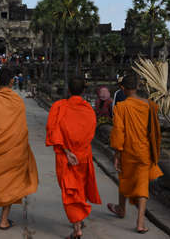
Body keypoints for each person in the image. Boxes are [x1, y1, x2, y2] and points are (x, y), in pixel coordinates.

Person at [0, 68, 38, 230]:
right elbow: (22, 127)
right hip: (13, 146)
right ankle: (3, 219)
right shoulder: (17, 100)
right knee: (9, 182)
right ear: (12, 81)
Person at [46, 77, 101, 239]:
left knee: (71, 191)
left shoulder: (59, 106)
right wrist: (77, 150)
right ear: (83, 91)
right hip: (82, 156)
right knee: (80, 188)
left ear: (68, 90)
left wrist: (66, 150)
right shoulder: (89, 110)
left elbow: (52, 130)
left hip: (66, 157)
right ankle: (79, 219)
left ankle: (77, 229)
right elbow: (91, 133)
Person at [107, 74, 163, 234]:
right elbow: (155, 130)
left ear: (123, 89)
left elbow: (118, 132)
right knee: (142, 184)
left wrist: (116, 155)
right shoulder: (150, 106)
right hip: (145, 151)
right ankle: (140, 222)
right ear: (137, 87)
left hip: (128, 151)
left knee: (124, 178)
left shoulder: (122, 107)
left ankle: (121, 209)